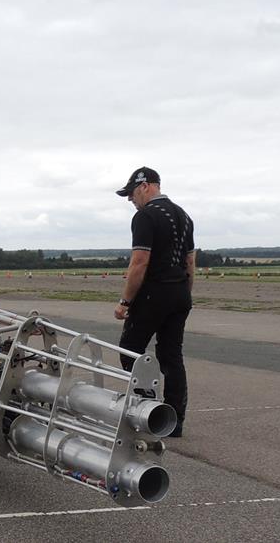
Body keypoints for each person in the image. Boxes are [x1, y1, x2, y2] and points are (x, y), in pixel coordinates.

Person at [114, 167, 195, 437]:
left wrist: (125, 301)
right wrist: (186, 293)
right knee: (172, 355)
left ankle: (148, 410)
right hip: (180, 293)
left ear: (146, 186)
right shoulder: (184, 216)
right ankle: (175, 422)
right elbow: (190, 262)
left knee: (130, 349)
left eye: (132, 194)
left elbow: (139, 262)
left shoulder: (145, 216)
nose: (131, 200)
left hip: (154, 294)